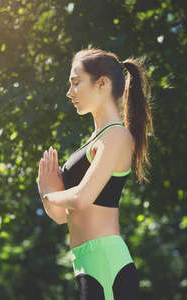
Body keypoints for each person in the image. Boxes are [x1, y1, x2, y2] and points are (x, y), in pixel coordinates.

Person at [37, 48, 154, 300]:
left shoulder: (116, 135)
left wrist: (49, 194)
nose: (70, 92)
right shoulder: (96, 139)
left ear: (102, 83)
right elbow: (62, 216)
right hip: (86, 262)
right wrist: (47, 192)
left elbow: (80, 199)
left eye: (76, 83)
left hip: (105, 260)